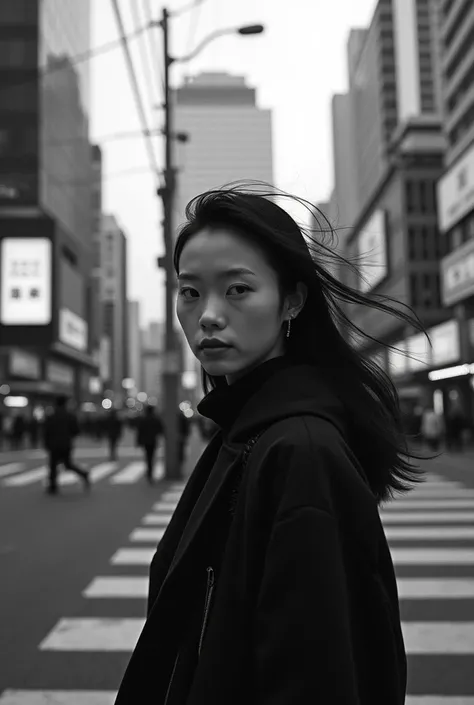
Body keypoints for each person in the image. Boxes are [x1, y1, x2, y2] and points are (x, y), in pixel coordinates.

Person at [115, 183, 426, 705]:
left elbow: (316, 675)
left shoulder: (298, 448)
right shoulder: (251, 429)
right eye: (190, 292)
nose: (207, 315)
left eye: (237, 289)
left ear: (293, 300)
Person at [43, 396, 90, 495]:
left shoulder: (51, 416)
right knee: (68, 464)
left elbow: (46, 432)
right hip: (66, 443)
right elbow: (76, 431)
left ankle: (53, 486)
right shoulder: (70, 416)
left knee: (53, 465)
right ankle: (84, 474)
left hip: (54, 444)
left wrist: (46, 443)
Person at [136, 405, 164, 483]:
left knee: (148, 456)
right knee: (151, 456)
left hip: (145, 441)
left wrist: (138, 441)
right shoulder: (155, 419)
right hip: (153, 440)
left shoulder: (143, 419)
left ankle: (149, 471)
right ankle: (150, 471)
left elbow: (140, 431)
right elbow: (160, 429)